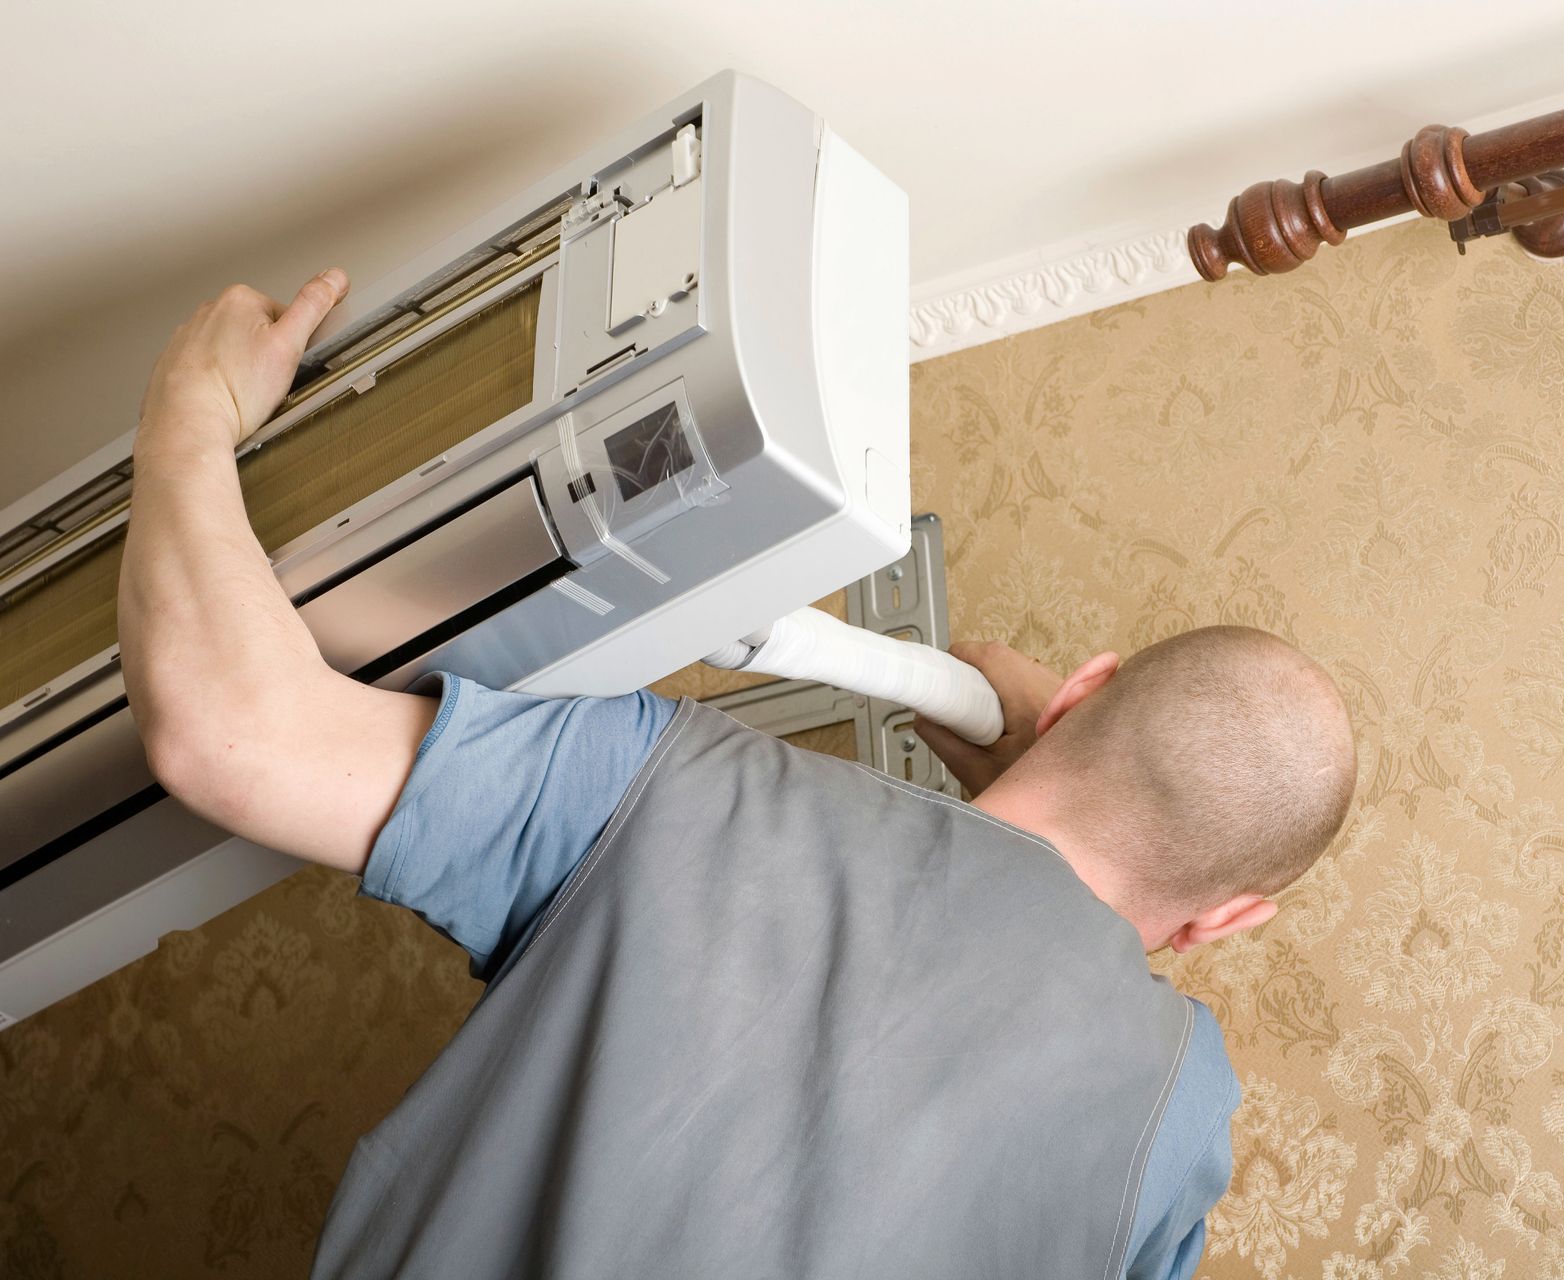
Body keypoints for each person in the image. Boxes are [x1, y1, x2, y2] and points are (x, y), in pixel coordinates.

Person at [121, 270, 1358, 1280]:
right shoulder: (1175, 1126)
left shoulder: (663, 779)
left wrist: (191, 403)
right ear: (1224, 917)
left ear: (1081, 691)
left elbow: (230, 731)